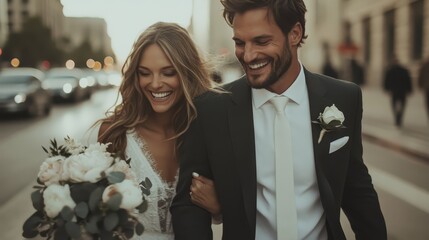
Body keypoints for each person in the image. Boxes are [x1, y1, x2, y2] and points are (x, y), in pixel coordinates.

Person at [171, 0, 387, 239]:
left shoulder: (344, 97)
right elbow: (189, 206)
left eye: (262, 41)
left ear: (295, 34)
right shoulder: (211, 108)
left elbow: (357, 190)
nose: (249, 55)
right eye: (240, 43)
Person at [96, 22, 221, 240]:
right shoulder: (114, 133)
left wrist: (219, 207)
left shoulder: (209, 132)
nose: (155, 84)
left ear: (187, 72)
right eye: (145, 73)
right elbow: (96, 216)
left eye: (168, 72)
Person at [383, 57, 412, 127]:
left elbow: (386, 81)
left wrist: (386, 89)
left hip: (394, 91)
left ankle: (397, 117)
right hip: (402, 91)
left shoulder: (390, 70)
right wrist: (409, 89)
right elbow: (408, 81)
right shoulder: (404, 70)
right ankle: (399, 116)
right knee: (402, 104)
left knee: (394, 104)